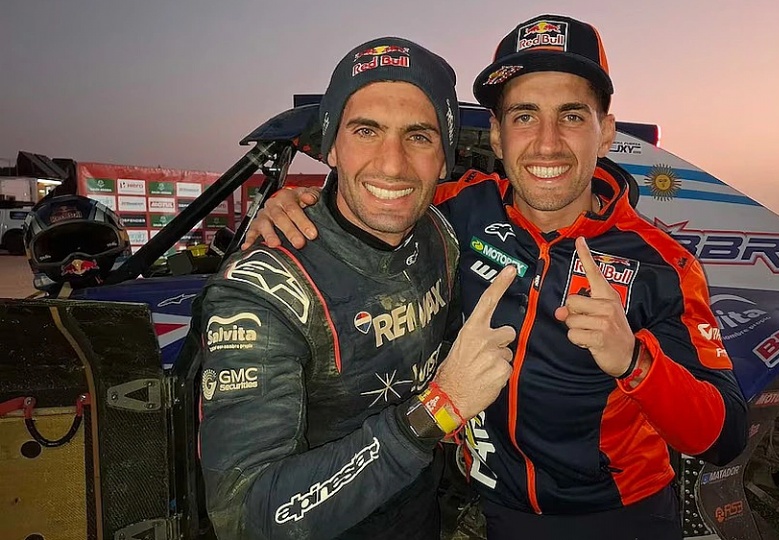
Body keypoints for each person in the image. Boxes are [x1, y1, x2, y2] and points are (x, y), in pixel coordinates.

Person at [245, 15, 748, 540]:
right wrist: (299, 204)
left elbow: (725, 437)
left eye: (571, 116)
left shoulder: (663, 265)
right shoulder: (458, 209)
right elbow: (376, 198)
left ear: (605, 133)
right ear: (497, 137)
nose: (547, 144)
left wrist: (634, 361)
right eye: (524, 116)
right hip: (495, 512)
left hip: (621, 518)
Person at [195, 37, 518, 540]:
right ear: (331, 147)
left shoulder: (441, 232)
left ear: (443, 159)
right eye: (366, 131)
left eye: (419, 136)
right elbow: (246, 517)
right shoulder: (266, 290)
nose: (391, 164)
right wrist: (440, 408)